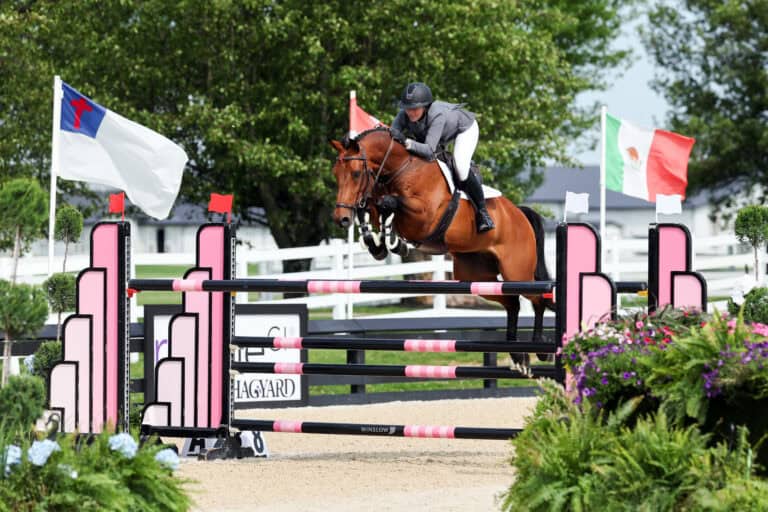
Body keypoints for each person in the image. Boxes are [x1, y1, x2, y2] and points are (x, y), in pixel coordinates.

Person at [390, 82, 494, 233]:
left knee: (460, 166)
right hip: (436, 136)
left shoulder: (436, 115)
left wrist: (405, 141)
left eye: (415, 109)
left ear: (425, 106)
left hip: (465, 129)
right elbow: (391, 136)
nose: (410, 113)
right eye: (407, 109)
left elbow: (429, 151)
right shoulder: (403, 115)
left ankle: (483, 213)